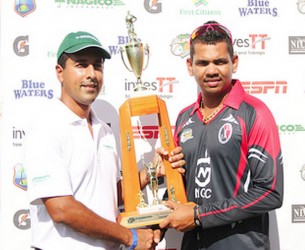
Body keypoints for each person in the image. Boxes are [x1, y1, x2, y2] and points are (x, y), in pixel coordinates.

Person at [25, 31, 185, 250]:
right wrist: (130, 237)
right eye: (81, 65)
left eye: (97, 66)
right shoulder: (46, 128)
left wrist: (151, 173)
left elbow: (109, 195)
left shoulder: (105, 130)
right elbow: (61, 208)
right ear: (60, 73)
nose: (91, 74)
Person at [159, 21, 284, 250]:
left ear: (233, 62)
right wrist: (154, 227)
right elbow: (181, 188)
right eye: (203, 63)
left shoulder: (254, 113)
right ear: (190, 66)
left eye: (220, 62)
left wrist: (199, 215)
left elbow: (270, 193)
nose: (212, 70)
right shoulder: (184, 118)